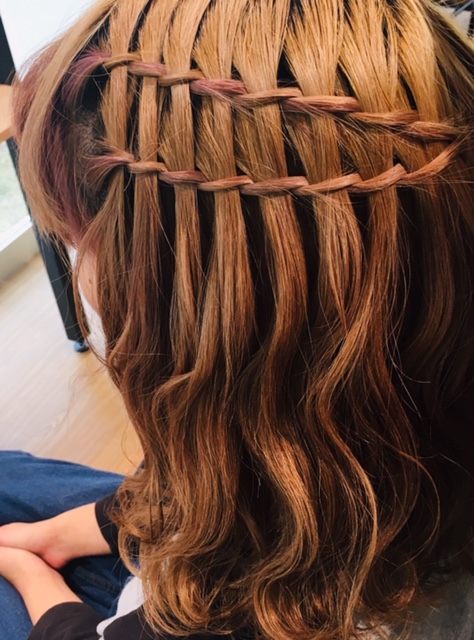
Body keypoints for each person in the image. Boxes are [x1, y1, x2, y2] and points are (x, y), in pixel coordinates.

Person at [0, 0, 473, 638]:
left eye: (79, 245)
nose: (80, 274)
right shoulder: (375, 427)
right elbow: (206, 493)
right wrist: (66, 534)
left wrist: (31, 576)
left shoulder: (268, 612)